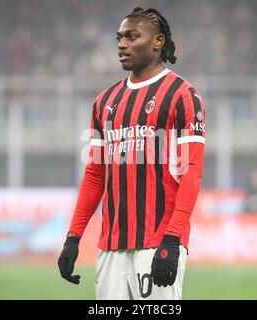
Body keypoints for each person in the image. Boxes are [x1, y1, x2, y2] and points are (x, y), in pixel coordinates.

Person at [57, 7, 206, 300]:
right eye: (120, 38)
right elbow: (95, 174)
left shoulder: (183, 95)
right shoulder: (104, 102)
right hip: (111, 246)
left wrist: (173, 238)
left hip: (157, 242)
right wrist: (73, 237)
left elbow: (192, 171)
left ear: (158, 42)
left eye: (132, 36)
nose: (122, 45)